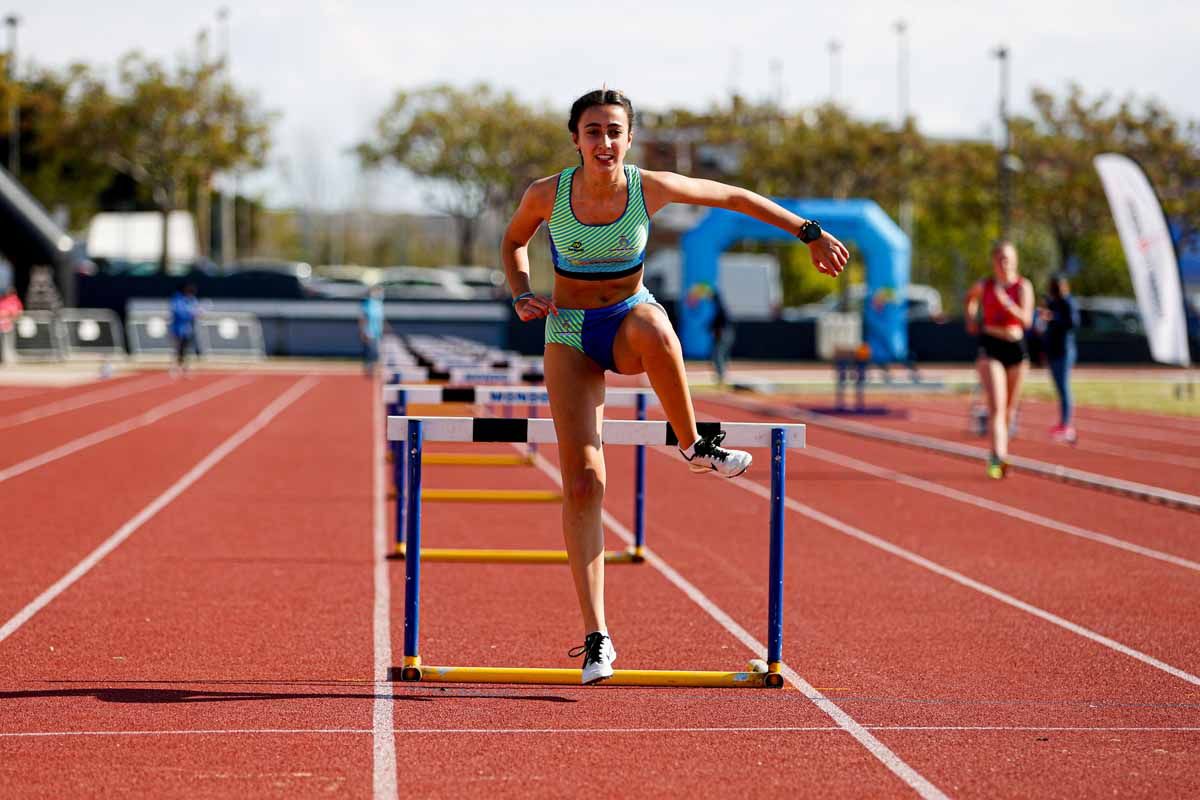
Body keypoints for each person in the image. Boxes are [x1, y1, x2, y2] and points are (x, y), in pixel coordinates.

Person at [501, 88, 848, 684]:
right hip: (569, 333)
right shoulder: (546, 194)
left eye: (614, 131)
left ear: (629, 138)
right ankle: (596, 638)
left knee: (659, 328)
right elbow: (511, 243)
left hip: (628, 323)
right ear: (576, 139)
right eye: (592, 132)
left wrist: (808, 231)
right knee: (584, 483)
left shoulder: (648, 187)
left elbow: (735, 197)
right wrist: (521, 291)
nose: (604, 143)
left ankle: (693, 445)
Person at [964, 240, 1034, 479]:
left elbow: (1027, 321)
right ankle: (998, 457)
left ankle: (1000, 451)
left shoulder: (1023, 287)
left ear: (1015, 261)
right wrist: (972, 318)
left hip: (1016, 347)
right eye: (1000, 258)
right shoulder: (985, 285)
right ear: (994, 262)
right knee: (996, 406)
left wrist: (1008, 305)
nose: (1005, 263)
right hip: (991, 345)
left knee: (1009, 411)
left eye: (1009, 258)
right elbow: (969, 298)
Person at [1039, 274, 1080, 443]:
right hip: (1053, 350)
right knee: (1059, 388)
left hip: (1064, 351)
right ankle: (1063, 422)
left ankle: (1066, 424)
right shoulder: (1053, 302)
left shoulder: (1068, 302)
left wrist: (1053, 317)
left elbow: (1073, 323)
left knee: (1064, 388)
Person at [169, 281, 202, 375]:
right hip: (177, 328)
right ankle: (175, 366)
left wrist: (197, 312)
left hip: (187, 328)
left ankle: (184, 366)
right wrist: (191, 313)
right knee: (177, 348)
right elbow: (179, 312)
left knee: (186, 348)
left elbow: (196, 309)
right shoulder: (177, 299)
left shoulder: (191, 299)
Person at [359, 284, 385, 377]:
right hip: (369, 332)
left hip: (378, 332)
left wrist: (385, 329)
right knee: (370, 352)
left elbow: (381, 319)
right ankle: (368, 369)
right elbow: (362, 318)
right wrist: (362, 332)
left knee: (377, 353)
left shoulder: (379, 304)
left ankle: (373, 369)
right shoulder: (367, 303)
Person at [709, 289, 734, 385]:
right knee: (721, 355)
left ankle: (721, 376)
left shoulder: (719, 307)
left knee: (718, 354)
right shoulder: (720, 307)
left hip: (723, 334)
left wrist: (715, 329)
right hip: (725, 334)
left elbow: (720, 321)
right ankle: (722, 375)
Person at [0, 283, 23, 365]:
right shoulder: (3, 300)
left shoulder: (15, 300)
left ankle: (10, 358)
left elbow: (18, 312)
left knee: (10, 343)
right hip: (3, 326)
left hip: (10, 325)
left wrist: (10, 315)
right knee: (4, 343)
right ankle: (4, 358)